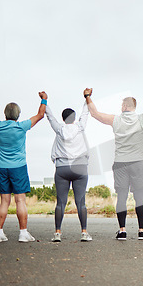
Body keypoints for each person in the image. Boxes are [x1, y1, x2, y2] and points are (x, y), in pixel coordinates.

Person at [84, 83, 143, 240]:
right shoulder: (142, 119)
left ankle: (122, 230)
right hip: (137, 163)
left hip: (120, 163)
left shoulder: (115, 120)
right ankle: (142, 230)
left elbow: (95, 113)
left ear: (125, 105)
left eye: (122, 104)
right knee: (139, 197)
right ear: (134, 106)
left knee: (121, 197)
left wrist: (87, 96)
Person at [0, 89, 47, 243]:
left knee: (4, 201)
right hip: (18, 168)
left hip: (2, 168)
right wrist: (44, 99)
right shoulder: (21, 126)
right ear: (18, 115)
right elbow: (40, 115)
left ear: (5, 114)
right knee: (20, 201)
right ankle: (23, 233)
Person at [45, 94, 91, 242]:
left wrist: (44, 100)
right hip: (80, 167)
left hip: (62, 168)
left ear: (63, 119)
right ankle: (84, 232)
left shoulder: (59, 128)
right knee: (81, 202)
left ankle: (57, 233)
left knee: (61, 202)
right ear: (74, 117)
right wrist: (87, 97)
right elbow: (86, 112)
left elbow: (50, 116)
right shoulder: (80, 127)